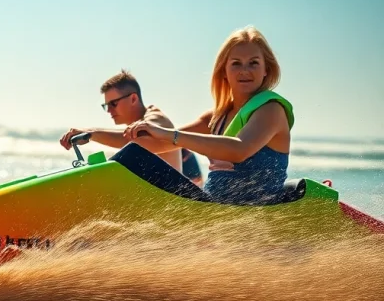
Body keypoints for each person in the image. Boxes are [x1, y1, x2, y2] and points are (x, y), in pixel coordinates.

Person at [124, 26, 293, 205]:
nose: (245, 70)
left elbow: (238, 150)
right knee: (131, 158)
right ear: (224, 72)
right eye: (236, 63)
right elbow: (154, 144)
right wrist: (94, 133)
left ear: (266, 69)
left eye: (254, 63)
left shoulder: (272, 110)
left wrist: (168, 133)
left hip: (253, 214)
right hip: (211, 208)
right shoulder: (215, 118)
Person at [60, 70, 183, 173]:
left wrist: (90, 134)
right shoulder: (139, 123)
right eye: (106, 106)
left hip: (171, 200)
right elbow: (126, 134)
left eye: (113, 104)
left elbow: (135, 139)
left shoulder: (156, 118)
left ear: (133, 99)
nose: (109, 111)